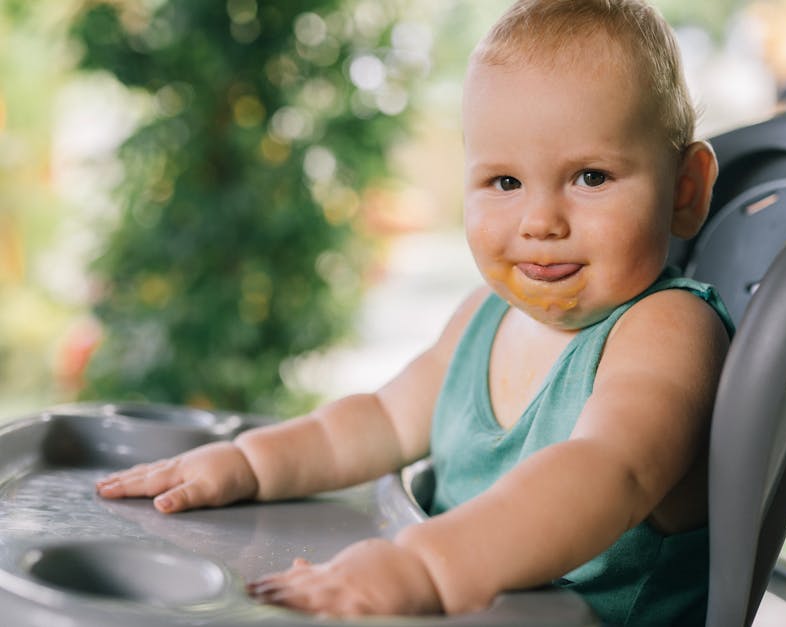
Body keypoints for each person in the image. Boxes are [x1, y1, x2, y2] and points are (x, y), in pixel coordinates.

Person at [95, 1, 734, 624]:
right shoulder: (481, 318)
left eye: (590, 177)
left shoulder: (667, 328)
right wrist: (250, 463)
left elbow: (607, 471)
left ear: (685, 191)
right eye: (505, 183)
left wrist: (427, 569)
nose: (541, 222)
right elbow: (379, 420)